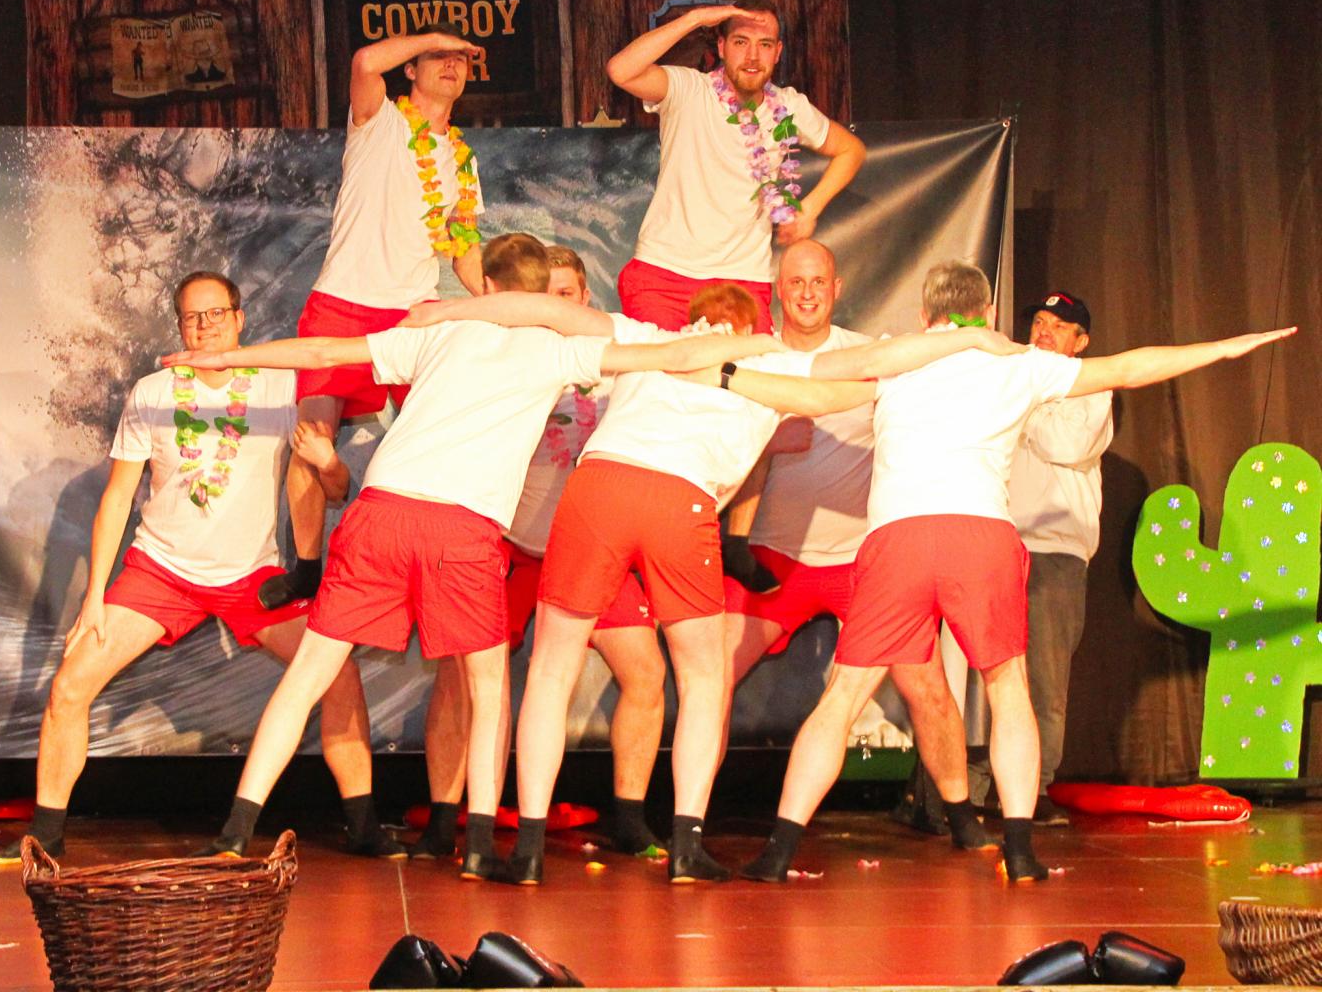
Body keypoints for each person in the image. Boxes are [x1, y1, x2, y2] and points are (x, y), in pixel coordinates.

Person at [166, 234, 774, 879]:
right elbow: (676, 354)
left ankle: (235, 832)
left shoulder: (439, 332)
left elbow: (321, 351)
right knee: (488, 691)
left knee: (308, 677)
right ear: (539, 294)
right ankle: (479, 848)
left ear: (484, 286)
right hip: (462, 529)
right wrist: (763, 346)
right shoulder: (559, 350)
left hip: (383, 513)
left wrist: (227, 356)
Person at [405, 279, 1028, 883]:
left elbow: (549, 312)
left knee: (550, 668)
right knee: (704, 678)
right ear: (751, 326)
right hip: (678, 500)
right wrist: (964, 343)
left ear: (694, 319)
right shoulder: (764, 361)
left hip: (600, 487)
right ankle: (686, 845)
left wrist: (450, 312)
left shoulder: (649, 338)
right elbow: (865, 372)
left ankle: (529, 851)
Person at [737, 260, 1294, 884]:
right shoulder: (1016, 363)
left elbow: (811, 387)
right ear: (989, 314)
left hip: (899, 538)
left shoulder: (897, 357)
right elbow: (1129, 367)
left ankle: (778, 853)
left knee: (842, 696)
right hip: (981, 537)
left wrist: (725, 373)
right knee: (1009, 691)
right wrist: (1225, 347)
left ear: (924, 315)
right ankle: (1021, 852)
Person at [0, 272, 396, 864]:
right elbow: (116, 498)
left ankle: (363, 827)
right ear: (179, 325)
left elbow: (334, 489)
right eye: (192, 317)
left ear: (239, 319)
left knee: (339, 674)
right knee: (69, 685)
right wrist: (95, 597)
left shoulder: (282, 386)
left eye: (216, 314)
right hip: (161, 571)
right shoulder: (153, 392)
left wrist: (329, 460)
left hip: (252, 577)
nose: (205, 326)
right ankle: (46, 836)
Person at [405, 246, 670, 863]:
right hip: (509, 548)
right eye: (545, 295)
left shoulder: (615, 358)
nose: (557, 306)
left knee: (646, 671)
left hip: (590, 548)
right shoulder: (501, 351)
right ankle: (445, 819)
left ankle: (631, 818)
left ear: (586, 298)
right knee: (462, 680)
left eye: (568, 294)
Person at [731, 241, 989, 852]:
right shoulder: (754, 360)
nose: (808, 293)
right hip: (773, 557)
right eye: (796, 282)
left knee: (928, 687)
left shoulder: (873, 357)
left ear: (837, 287)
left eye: (818, 281)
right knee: (709, 674)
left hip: (862, 563)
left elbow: (939, 384)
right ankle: (687, 818)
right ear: (778, 288)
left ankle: (960, 814)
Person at [271, 24, 487, 611]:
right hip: (343, 301)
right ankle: (307, 570)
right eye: (437, 56)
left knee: (443, 432)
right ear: (411, 69)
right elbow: (366, 61)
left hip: (414, 310)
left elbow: (463, 248)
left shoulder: (463, 161)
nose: (451, 65)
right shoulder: (379, 121)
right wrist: (437, 34)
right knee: (312, 439)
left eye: (461, 59)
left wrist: (502, 299)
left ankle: (438, 558)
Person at [605, 0, 866, 332]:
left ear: (778, 52)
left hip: (742, 280)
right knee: (664, 366)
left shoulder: (788, 106)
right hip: (665, 275)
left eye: (764, 44)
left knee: (754, 364)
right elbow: (620, 70)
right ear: (722, 47)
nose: (753, 56)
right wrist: (695, 19)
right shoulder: (689, 89)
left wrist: (810, 208)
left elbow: (851, 150)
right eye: (741, 42)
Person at [967, 292, 1113, 824]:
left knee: (1045, 678)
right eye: (1039, 321)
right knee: (986, 672)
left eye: (1059, 325)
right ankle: (968, 789)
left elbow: (1065, 443)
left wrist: (1022, 402)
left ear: (1081, 341)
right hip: (998, 544)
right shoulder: (1009, 377)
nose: (1045, 330)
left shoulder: (1092, 383)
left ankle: (1036, 789)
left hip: (1055, 552)